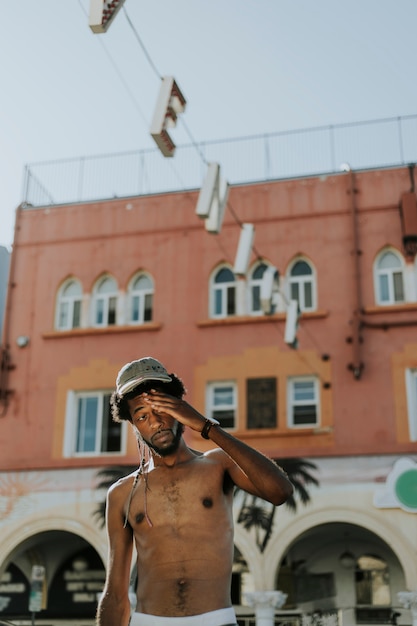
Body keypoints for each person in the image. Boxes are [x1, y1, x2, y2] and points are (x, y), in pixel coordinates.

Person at [96, 356, 293, 626]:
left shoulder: (217, 465)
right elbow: (116, 593)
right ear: (133, 425)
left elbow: (279, 491)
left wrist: (206, 426)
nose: (155, 422)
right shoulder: (122, 493)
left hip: (216, 620)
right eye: (142, 416)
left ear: (179, 407)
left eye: (162, 409)